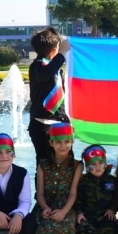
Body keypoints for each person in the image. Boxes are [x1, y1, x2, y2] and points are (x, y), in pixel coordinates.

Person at [28, 122, 83, 234]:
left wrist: (65, 210)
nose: (63, 145)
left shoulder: (77, 165)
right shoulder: (43, 165)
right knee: (46, 223)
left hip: (67, 206)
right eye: (58, 142)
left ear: (72, 141)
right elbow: (40, 193)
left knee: (66, 222)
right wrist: (45, 208)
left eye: (67, 141)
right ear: (51, 143)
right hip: (47, 206)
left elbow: (73, 193)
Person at [28, 27, 71, 168]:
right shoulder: (37, 67)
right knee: (44, 163)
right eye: (59, 48)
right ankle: (41, 190)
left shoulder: (55, 69)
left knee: (66, 162)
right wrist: (62, 53)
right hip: (41, 126)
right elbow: (47, 72)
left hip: (59, 123)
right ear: (54, 50)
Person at [75, 145, 118, 234]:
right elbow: (78, 199)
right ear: (88, 167)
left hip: (106, 215)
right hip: (88, 215)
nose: (98, 167)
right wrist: (79, 212)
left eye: (100, 163)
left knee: (111, 232)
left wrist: (113, 209)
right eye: (93, 164)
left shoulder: (112, 180)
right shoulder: (83, 181)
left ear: (105, 164)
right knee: (83, 232)